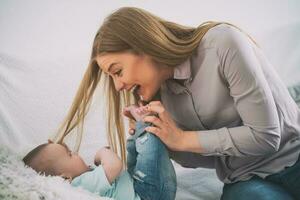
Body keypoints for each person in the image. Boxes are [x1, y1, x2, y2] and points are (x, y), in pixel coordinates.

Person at [51, 6, 300, 200]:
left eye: (118, 71)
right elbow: (209, 158)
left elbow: (267, 137)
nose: (118, 86)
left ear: (143, 45)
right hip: (244, 181)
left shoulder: (222, 43)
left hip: (293, 158)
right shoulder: (159, 95)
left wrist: (181, 138)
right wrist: (159, 138)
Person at [23, 105, 177, 200]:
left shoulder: (83, 179)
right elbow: (114, 165)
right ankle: (144, 124)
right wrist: (102, 152)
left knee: (133, 148)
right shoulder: (80, 185)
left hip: (135, 185)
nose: (75, 153)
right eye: (69, 154)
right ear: (65, 178)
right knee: (149, 148)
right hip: (148, 195)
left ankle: (139, 128)